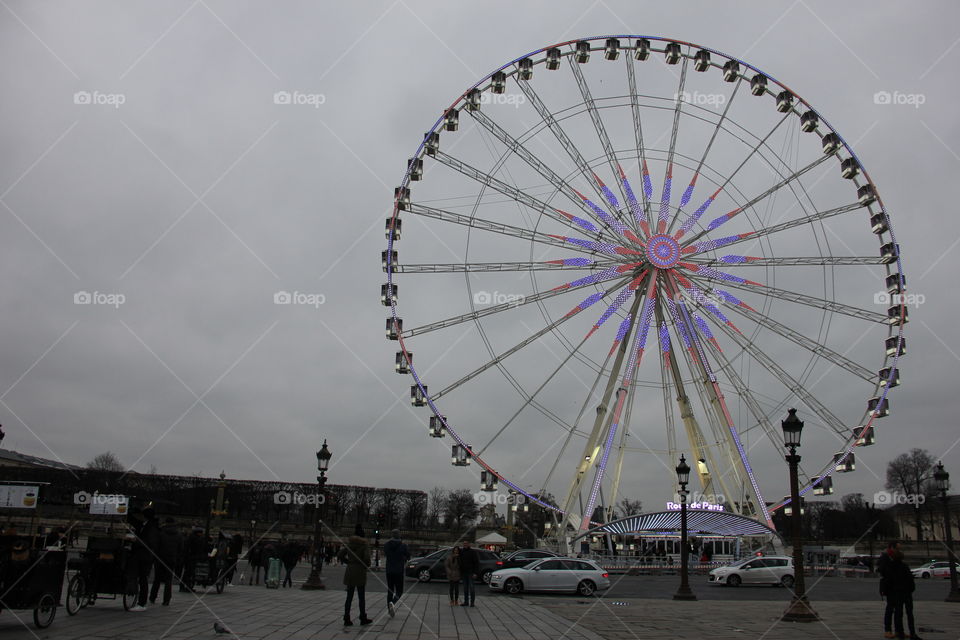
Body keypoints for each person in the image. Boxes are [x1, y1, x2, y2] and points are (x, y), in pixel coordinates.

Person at [126, 506, 160, 611]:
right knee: (141, 578)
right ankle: (137, 597)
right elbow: (133, 521)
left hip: (144, 556)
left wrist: (135, 541)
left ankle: (142, 603)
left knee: (143, 579)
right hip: (141, 555)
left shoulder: (151, 528)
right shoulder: (146, 525)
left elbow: (150, 543)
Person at [338, 524, 372, 626]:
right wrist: (366, 565)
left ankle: (347, 618)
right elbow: (366, 558)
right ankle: (362, 617)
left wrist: (348, 562)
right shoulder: (364, 544)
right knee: (361, 597)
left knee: (349, 597)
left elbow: (340, 554)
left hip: (350, 570)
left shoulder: (350, 544)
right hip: (360, 571)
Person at [887, 549, 921, 640]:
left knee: (898, 613)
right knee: (910, 613)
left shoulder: (890, 567)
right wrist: (910, 589)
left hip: (896, 593)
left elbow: (889, 581)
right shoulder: (904, 566)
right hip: (906, 592)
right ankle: (912, 633)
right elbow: (910, 580)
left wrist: (891, 591)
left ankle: (900, 633)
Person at [150, 518, 183, 606]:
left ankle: (152, 597)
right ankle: (166, 600)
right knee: (168, 580)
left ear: (166, 523)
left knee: (157, 579)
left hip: (160, 558)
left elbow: (156, 546)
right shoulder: (178, 534)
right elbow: (180, 549)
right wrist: (177, 558)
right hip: (171, 559)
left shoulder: (161, 533)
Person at [383, 529, 410, 616]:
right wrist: (403, 559)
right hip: (399, 571)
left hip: (389, 570)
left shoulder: (387, 545)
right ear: (399, 535)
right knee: (399, 591)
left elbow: (386, 554)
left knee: (390, 590)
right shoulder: (403, 546)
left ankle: (389, 609)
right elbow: (408, 556)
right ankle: (393, 603)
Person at [878, 540, 900, 638]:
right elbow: (883, 571)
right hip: (890, 586)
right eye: (897, 548)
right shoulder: (886, 557)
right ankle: (888, 630)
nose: (898, 550)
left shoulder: (893, 557)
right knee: (890, 608)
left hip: (896, 586)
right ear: (891, 547)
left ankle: (898, 630)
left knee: (897, 609)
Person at [182, 526, 206, 592]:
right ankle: (188, 587)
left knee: (187, 572)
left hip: (188, 557)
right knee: (190, 573)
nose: (202, 534)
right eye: (201, 533)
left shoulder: (190, 538)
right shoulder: (197, 539)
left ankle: (183, 586)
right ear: (198, 533)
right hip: (192, 557)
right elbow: (199, 548)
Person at [458, 540, 479, 607]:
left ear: (469, 544)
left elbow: (476, 563)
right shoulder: (461, 552)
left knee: (471, 588)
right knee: (465, 588)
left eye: (466, 543)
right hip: (464, 572)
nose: (465, 544)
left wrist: (475, 573)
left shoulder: (472, 552)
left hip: (471, 572)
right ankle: (466, 602)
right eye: (464, 543)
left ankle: (472, 602)